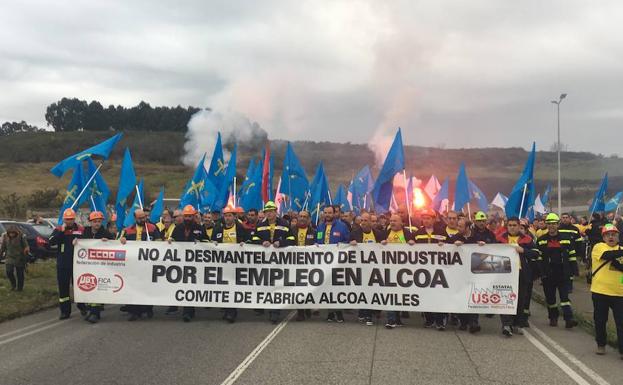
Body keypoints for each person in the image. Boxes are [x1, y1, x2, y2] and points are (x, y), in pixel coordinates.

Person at [250, 201, 295, 324]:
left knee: (277, 286)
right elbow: (255, 238)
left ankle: (275, 312)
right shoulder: (260, 225)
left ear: (276, 212)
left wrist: (281, 243)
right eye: (267, 211)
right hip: (264, 262)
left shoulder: (285, 224)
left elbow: (292, 239)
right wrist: (261, 242)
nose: (269, 213)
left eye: (271, 211)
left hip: (280, 262)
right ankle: (264, 307)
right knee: (265, 285)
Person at [496, 217, 540, 336]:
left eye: (514, 225)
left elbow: (536, 253)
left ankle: (516, 324)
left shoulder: (527, 239)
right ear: (507, 226)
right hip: (504, 274)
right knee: (505, 299)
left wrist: (523, 250)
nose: (512, 227)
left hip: (521, 274)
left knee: (520, 300)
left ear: (519, 226)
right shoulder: (500, 239)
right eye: (510, 225)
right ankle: (506, 324)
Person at [536, 213, 578, 328]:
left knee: (565, 298)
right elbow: (538, 258)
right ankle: (553, 317)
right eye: (549, 224)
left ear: (558, 224)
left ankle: (569, 319)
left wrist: (574, 271)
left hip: (563, 272)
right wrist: (540, 273)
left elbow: (572, 256)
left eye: (553, 224)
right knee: (551, 299)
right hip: (548, 274)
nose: (551, 226)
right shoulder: (541, 240)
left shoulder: (566, 239)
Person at [119, 209, 161, 321]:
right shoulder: (128, 230)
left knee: (147, 287)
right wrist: (121, 240)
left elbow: (160, 242)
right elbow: (118, 242)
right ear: (135, 218)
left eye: (144, 217)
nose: (143, 219)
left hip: (148, 264)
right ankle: (134, 311)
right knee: (133, 287)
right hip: (132, 265)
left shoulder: (152, 228)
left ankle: (148, 308)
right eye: (140, 218)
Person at [211, 205, 249, 323]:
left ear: (234, 216)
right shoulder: (218, 228)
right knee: (224, 288)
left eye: (229, 216)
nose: (227, 218)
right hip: (223, 263)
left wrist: (244, 243)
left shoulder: (240, 228)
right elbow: (212, 242)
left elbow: (248, 240)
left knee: (233, 287)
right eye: (226, 216)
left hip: (236, 264)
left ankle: (231, 313)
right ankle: (227, 310)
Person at [590, 224, 623, 358]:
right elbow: (608, 255)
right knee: (600, 320)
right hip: (600, 291)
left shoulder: (621, 249)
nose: (611, 237)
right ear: (603, 237)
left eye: (614, 234)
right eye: (608, 234)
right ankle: (601, 344)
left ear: (618, 236)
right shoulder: (599, 247)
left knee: (621, 323)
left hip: (619, 293)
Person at [168, 205, 206, 322]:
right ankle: (184, 309)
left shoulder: (199, 228)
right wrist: (170, 241)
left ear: (194, 216)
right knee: (182, 286)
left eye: (190, 216)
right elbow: (173, 239)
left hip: (195, 263)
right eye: (186, 216)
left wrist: (201, 242)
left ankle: (188, 311)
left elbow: (206, 241)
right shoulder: (178, 228)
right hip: (180, 262)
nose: (188, 218)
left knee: (191, 286)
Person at [77, 211, 115, 323]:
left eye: (99, 221)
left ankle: (95, 313)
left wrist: (108, 242)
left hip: (100, 266)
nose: (97, 223)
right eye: (95, 221)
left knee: (96, 288)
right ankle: (90, 310)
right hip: (86, 265)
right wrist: (76, 241)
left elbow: (114, 245)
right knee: (87, 288)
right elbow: (79, 242)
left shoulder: (105, 233)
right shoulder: (85, 231)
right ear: (90, 222)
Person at [49, 208, 86, 320]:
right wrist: (61, 232)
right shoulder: (59, 229)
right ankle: (65, 311)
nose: (69, 221)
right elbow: (51, 242)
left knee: (80, 286)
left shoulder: (80, 229)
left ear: (74, 219)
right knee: (63, 288)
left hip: (78, 264)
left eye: (71, 219)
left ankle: (83, 307)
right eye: (67, 219)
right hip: (63, 264)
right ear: (64, 219)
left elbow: (88, 242)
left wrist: (80, 241)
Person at [413, 209, 447, 329]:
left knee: (439, 295)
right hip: (423, 271)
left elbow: (451, 248)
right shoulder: (418, 233)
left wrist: (447, 246)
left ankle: (440, 320)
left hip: (439, 270)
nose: (426, 220)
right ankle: (429, 319)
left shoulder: (442, 233)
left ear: (434, 219)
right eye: (424, 218)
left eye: (428, 218)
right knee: (425, 294)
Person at [316, 205, 350, 323]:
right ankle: (330, 313)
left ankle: (339, 312)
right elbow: (317, 241)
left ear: (334, 213)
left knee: (336, 288)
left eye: (330, 213)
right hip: (324, 263)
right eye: (325, 213)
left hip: (337, 263)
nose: (327, 215)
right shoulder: (320, 227)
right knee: (326, 288)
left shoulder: (342, 226)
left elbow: (347, 241)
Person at [350, 212, 385, 326]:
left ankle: (369, 314)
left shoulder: (378, 234)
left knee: (372, 291)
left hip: (374, 269)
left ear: (371, 222)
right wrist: (351, 243)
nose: (363, 223)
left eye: (366, 220)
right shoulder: (354, 233)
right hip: (360, 268)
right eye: (362, 221)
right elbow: (346, 246)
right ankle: (363, 312)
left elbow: (384, 249)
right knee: (362, 291)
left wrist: (385, 244)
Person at [381, 214, 415, 328]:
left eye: (395, 221)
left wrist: (412, 244)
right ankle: (391, 319)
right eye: (391, 221)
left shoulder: (407, 233)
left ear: (401, 223)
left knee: (399, 296)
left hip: (403, 271)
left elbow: (415, 250)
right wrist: (381, 244)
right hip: (389, 270)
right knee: (390, 294)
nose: (392, 223)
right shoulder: (386, 233)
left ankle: (397, 318)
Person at [448, 218, 481, 333]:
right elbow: (445, 250)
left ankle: (474, 322)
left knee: (473, 296)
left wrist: (482, 245)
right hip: (459, 273)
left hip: (473, 273)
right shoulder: (455, 238)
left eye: (461, 226)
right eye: (458, 226)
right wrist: (452, 245)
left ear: (467, 228)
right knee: (462, 297)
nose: (458, 228)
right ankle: (463, 322)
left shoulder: (476, 237)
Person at [292, 210, 317, 321]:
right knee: (298, 288)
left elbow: (320, 245)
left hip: (309, 265)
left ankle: (307, 307)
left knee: (308, 287)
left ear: (309, 219)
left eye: (305, 217)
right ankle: (300, 312)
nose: (302, 218)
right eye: (300, 216)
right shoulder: (291, 230)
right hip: (294, 264)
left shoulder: (314, 232)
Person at [560, 213, 583, 292]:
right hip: (560, 254)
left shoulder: (575, 229)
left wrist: (579, 254)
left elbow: (579, 242)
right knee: (561, 270)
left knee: (570, 271)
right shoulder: (558, 228)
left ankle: (569, 286)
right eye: (563, 217)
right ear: (561, 219)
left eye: (566, 217)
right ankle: (562, 286)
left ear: (570, 218)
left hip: (572, 254)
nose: (565, 219)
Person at [1, 225, 29, 291]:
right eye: (10, 233)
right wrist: (1, 253)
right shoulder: (5, 236)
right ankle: (13, 284)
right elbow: (3, 246)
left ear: (16, 232)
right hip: (9, 257)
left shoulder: (21, 236)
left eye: (13, 233)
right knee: (9, 271)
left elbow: (26, 246)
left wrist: (26, 250)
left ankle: (19, 288)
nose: (11, 234)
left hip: (20, 257)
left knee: (20, 274)